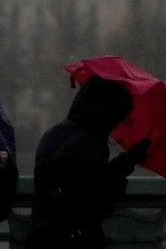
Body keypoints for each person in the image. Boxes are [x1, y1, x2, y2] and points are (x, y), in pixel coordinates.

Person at [26, 76, 150, 248]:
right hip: (73, 238)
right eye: (118, 118)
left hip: (40, 233)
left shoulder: (54, 132)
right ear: (107, 114)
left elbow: (77, 177)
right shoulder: (90, 143)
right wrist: (128, 163)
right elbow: (93, 200)